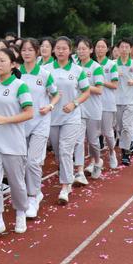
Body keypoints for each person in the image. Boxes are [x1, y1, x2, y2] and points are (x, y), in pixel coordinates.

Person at [0, 47, 34, 239]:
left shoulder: (20, 86)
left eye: (2, 61)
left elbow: (29, 112)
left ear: (13, 65)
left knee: (17, 182)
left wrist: (7, 120)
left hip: (13, 142)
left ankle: (20, 213)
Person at [18, 38, 60, 218]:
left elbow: (56, 94)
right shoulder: (15, 73)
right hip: (20, 124)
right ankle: (32, 191)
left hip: (40, 123)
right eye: (24, 50)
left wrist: (50, 106)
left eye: (30, 50)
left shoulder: (44, 74)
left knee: (33, 161)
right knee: (21, 162)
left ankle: (33, 197)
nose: (27, 53)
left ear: (36, 52)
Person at [47, 37, 91, 204]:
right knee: (58, 153)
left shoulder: (77, 70)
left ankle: (65, 187)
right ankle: (67, 175)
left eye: (64, 48)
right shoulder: (46, 69)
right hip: (52, 117)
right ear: (54, 50)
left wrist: (74, 104)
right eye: (58, 48)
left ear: (70, 50)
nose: (60, 51)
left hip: (72, 117)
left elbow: (86, 91)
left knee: (66, 150)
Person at [75, 38, 105, 181]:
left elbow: (99, 89)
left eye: (84, 49)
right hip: (79, 109)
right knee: (79, 141)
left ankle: (97, 161)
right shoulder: (74, 66)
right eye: (79, 49)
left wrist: (83, 85)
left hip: (93, 108)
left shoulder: (96, 67)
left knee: (93, 141)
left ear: (90, 50)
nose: (81, 51)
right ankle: (80, 171)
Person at [114, 38, 133, 166]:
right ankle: (122, 145)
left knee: (127, 127)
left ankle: (125, 153)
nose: (124, 49)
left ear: (131, 49)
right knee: (119, 128)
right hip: (116, 101)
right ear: (118, 49)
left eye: (127, 47)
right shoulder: (113, 64)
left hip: (131, 101)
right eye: (122, 47)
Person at [94, 38, 119, 169]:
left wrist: (100, 81)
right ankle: (95, 160)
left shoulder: (111, 65)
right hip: (92, 103)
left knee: (107, 132)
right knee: (92, 134)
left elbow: (115, 85)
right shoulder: (90, 64)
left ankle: (111, 152)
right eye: (98, 46)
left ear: (107, 49)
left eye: (102, 47)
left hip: (107, 103)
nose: (100, 49)